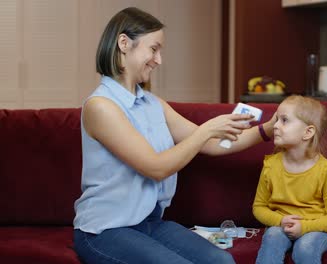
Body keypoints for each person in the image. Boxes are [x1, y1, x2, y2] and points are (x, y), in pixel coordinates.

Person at [73, 7, 275, 264]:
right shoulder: (101, 106)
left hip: (148, 224)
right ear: (124, 43)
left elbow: (214, 144)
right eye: (153, 49)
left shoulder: (153, 104)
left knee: (222, 261)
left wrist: (267, 130)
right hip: (104, 231)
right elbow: (155, 168)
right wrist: (206, 130)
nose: (158, 60)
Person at [252, 95, 327, 264]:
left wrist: (305, 227)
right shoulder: (271, 165)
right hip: (281, 226)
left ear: (308, 132)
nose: (275, 126)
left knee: (305, 247)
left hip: (317, 228)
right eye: (276, 119)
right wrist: (280, 221)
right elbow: (259, 207)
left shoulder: (326, 170)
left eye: (284, 120)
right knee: (272, 236)